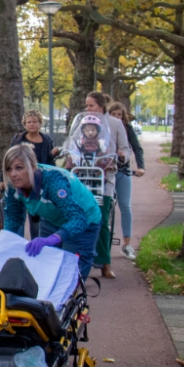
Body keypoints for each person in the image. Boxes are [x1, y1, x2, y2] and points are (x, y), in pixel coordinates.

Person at [2, 144, 101, 281]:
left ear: (32, 166)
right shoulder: (13, 186)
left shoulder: (53, 181)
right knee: (45, 269)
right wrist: (7, 244)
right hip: (52, 218)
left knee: (70, 273)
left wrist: (53, 238)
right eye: (9, 169)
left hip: (84, 219)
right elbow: (13, 217)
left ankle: (72, 299)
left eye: (19, 168)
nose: (13, 174)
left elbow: (78, 219)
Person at [79, 92, 132, 279]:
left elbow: (126, 149)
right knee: (80, 217)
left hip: (104, 180)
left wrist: (122, 154)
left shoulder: (115, 124)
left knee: (101, 221)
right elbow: (74, 143)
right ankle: (79, 259)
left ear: (102, 106)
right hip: (83, 176)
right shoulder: (82, 122)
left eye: (91, 105)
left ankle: (104, 263)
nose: (87, 109)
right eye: (86, 105)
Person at [10, 110, 60, 238]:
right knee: (18, 213)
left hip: (38, 182)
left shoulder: (46, 140)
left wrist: (53, 156)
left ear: (40, 123)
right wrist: (2, 179)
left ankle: (36, 242)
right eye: (29, 122)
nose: (32, 124)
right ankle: (18, 244)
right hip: (19, 181)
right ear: (25, 124)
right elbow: (9, 159)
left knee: (35, 216)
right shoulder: (18, 139)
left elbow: (49, 162)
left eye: (35, 122)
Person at [107, 102, 145, 260]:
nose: (117, 118)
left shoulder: (127, 129)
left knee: (125, 206)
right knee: (103, 205)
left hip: (122, 170)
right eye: (113, 114)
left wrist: (141, 166)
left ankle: (127, 244)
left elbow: (136, 148)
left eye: (119, 115)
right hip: (106, 171)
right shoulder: (102, 129)